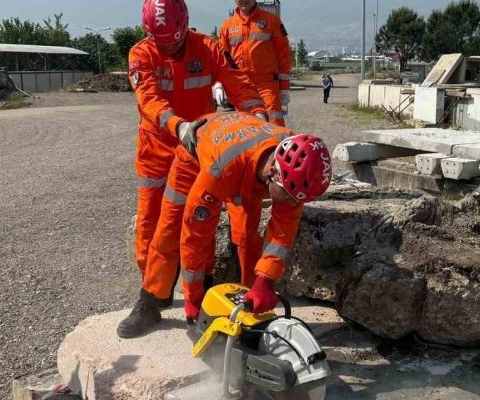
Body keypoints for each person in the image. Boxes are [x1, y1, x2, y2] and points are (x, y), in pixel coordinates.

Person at [117, 111, 332, 336]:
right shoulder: (220, 170)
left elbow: (281, 235)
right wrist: (193, 301)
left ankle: (249, 307)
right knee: (169, 231)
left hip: (246, 165)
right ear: (273, 172)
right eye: (288, 196)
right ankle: (150, 302)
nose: (291, 203)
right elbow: (194, 237)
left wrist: (265, 281)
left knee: (247, 237)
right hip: (195, 160)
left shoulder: (294, 173)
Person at [126, 0, 268, 291]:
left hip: (195, 151)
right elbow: (149, 100)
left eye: (175, 44)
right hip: (158, 150)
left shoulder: (208, 48)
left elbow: (237, 83)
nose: (169, 51)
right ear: (148, 32)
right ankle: (153, 296)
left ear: (184, 25)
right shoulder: (140, 54)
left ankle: (199, 289)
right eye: (160, 43)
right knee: (151, 228)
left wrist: (257, 114)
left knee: (199, 221)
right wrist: (178, 126)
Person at [219, 0, 292, 127]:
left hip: (267, 87)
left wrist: (284, 88)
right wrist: (219, 84)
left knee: (274, 130)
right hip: (242, 89)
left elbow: (284, 55)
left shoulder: (272, 21)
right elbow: (222, 60)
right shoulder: (227, 27)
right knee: (247, 133)